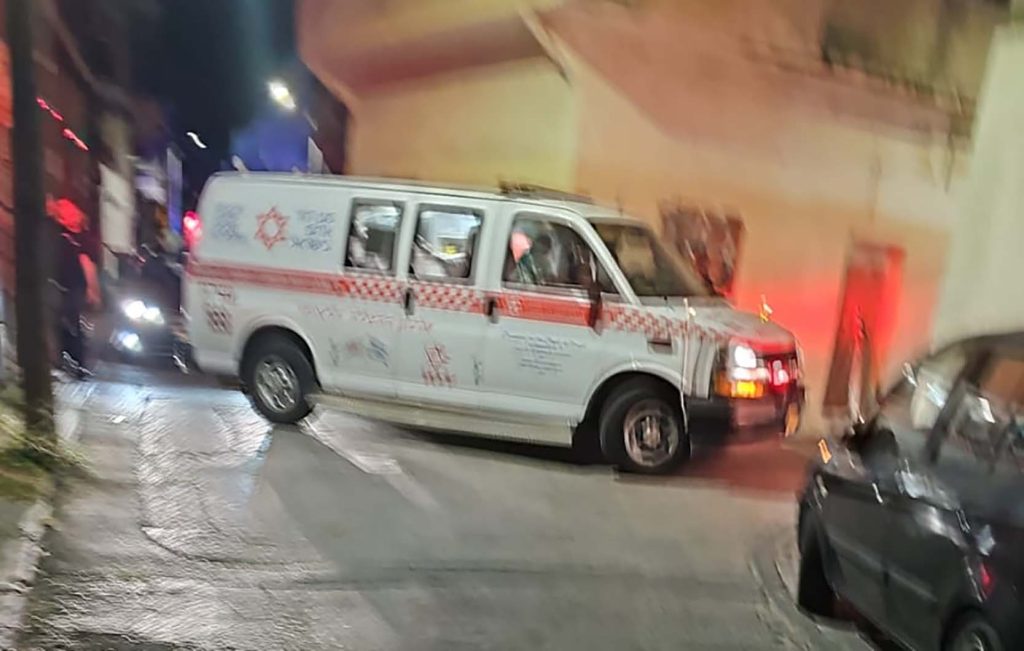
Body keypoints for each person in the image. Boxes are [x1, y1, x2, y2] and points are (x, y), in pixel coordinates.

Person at [49, 198, 99, 379]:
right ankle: (75, 362)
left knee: (69, 324)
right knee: (70, 324)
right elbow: (87, 265)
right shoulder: (74, 239)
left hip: (70, 288)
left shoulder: (70, 239)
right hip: (71, 287)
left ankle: (75, 362)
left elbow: (86, 264)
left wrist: (92, 290)